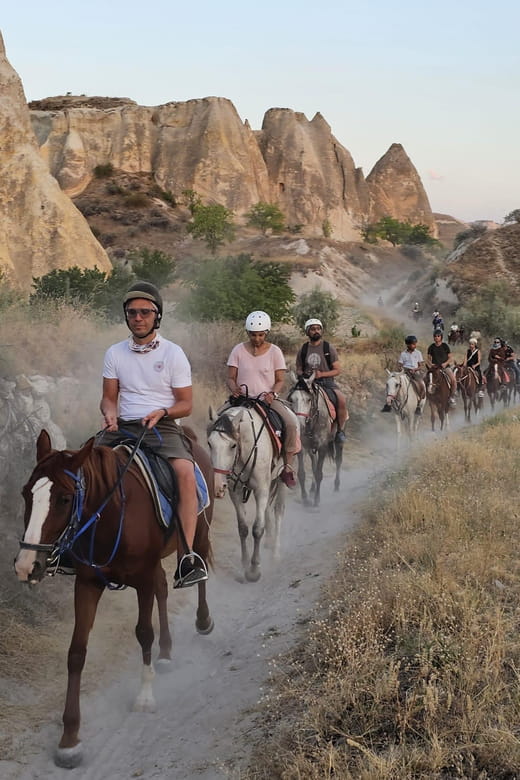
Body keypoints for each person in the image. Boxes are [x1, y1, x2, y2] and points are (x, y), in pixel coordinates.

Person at [98, 281, 208, 589]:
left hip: (161, 425)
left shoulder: (174, 354)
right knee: (83, 469)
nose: (138, 317)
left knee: (185, 472)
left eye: (145, 312)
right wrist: (109, 412)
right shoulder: (114, 353)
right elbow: (109, 396)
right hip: (123, 425)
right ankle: (77, 550)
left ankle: (186, 557)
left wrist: (163, 412)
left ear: (156, 316)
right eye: (132, 312)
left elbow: (185, 404)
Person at [226, 310, 300, 488]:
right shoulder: (238, 350)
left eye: (260, 334)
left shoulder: (275, 352)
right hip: (242, 399)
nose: (256, 338)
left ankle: (287, 467)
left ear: (266, 333)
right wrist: (234, 388)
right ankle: (220, 466)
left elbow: (280, 380)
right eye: (253, 334)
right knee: (216, 423)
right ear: (247, 333)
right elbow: (230, 377)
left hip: (266, 399)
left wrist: (272, 394)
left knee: (290, 423)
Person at [295, 318, 348, 443]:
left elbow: (337, 370)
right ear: (307, 332)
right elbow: (298, 369)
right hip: (308, 384)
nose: (316, 331)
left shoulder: (328, 348)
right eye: (313, 329)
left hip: (327, 383)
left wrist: (322, 374)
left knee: (341, 399)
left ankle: (340, 431)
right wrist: (303, 375)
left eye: (318, 329)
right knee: (292, 398)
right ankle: (295, 430)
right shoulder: (303, 349)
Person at [381, 335, 425, 415]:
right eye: (412, 344)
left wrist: (415, 369)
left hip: (415, 372)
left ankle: (418, 404)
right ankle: (389, 403)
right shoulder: (403, 354)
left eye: (415, 344)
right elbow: (399, 365)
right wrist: (402, 369)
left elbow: (421, 365)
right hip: (405, 372)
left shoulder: (418, 353)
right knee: (393, 383)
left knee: (421, 384)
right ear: (408, 345)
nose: (414, 345)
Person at [426, 329, 457, 405]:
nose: (436, 337)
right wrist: (431, 364)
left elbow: (450, 357)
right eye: (435, 336)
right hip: (435, 367)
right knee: (425, 378)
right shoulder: (431, 347)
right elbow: (428, 358)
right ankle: (425, 396)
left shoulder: (445, 346)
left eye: (438, 336)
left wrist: (445, 363)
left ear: (441, 337)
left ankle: (452, 396)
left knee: (453, 379)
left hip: (445, 367)